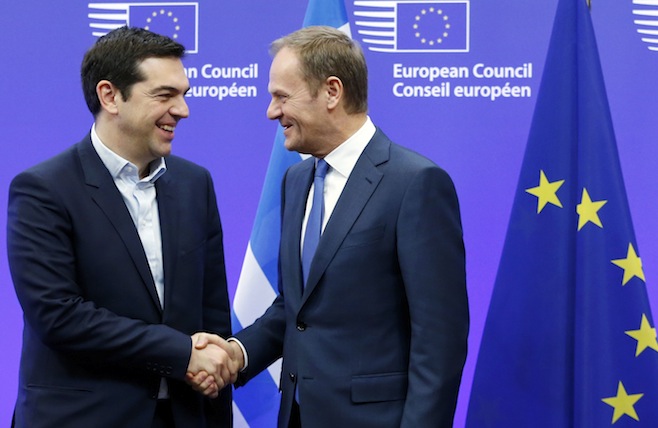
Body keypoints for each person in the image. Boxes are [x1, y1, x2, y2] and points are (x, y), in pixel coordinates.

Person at [208, 25, 469, 427]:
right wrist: (236, 353)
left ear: (332, 92)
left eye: (282, 96)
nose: (272, 111)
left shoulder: (414, 184)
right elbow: (297, 308)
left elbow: (440, 341)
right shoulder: (296, 181)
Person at [7, 26, 236, 428]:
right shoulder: (44, 189)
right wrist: (181, 353)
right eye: (165, 95)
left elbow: (211, 314)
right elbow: (59, 316)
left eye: (183, 94)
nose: (182, 110)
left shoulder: (195, 184)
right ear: (110, 96)